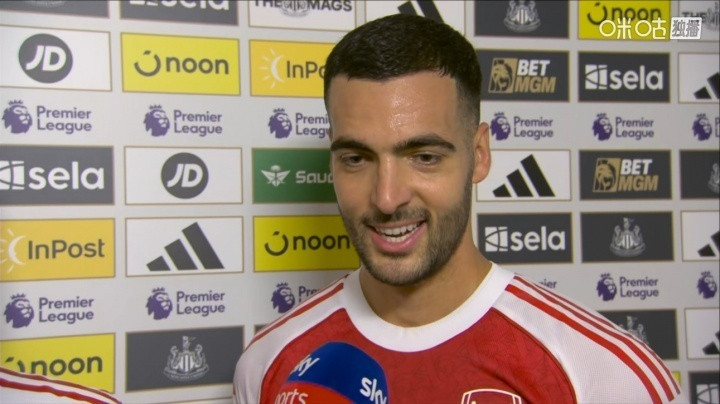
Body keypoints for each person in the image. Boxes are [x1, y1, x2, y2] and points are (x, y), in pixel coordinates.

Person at [234, 14, 682, 404]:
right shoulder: (269, 363)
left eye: (424, 157)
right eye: (356, 159)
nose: (387, 198)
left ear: (479, 155)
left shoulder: (603, 374)